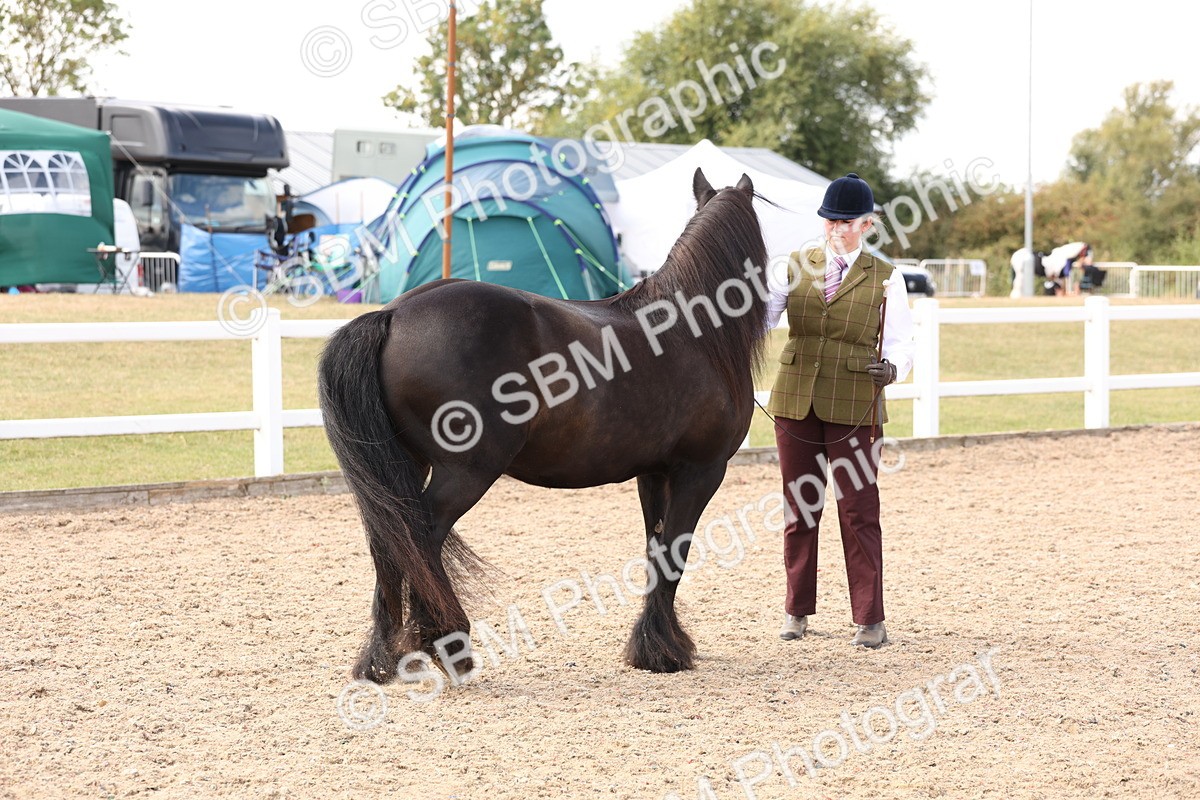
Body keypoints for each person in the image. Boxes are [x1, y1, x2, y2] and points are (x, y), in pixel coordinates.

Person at [764, 172, 915, 649]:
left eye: (846, 222)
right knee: (799, 507)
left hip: (855, 402)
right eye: (830, 220)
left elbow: (902, 342)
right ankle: (796, 609)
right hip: (795, 399)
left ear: (868, 224)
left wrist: (894, 368)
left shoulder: (887, 277)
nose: (836, 229)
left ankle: (869, 617)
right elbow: (764, 317)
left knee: (858, 509)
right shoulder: (794, 266)